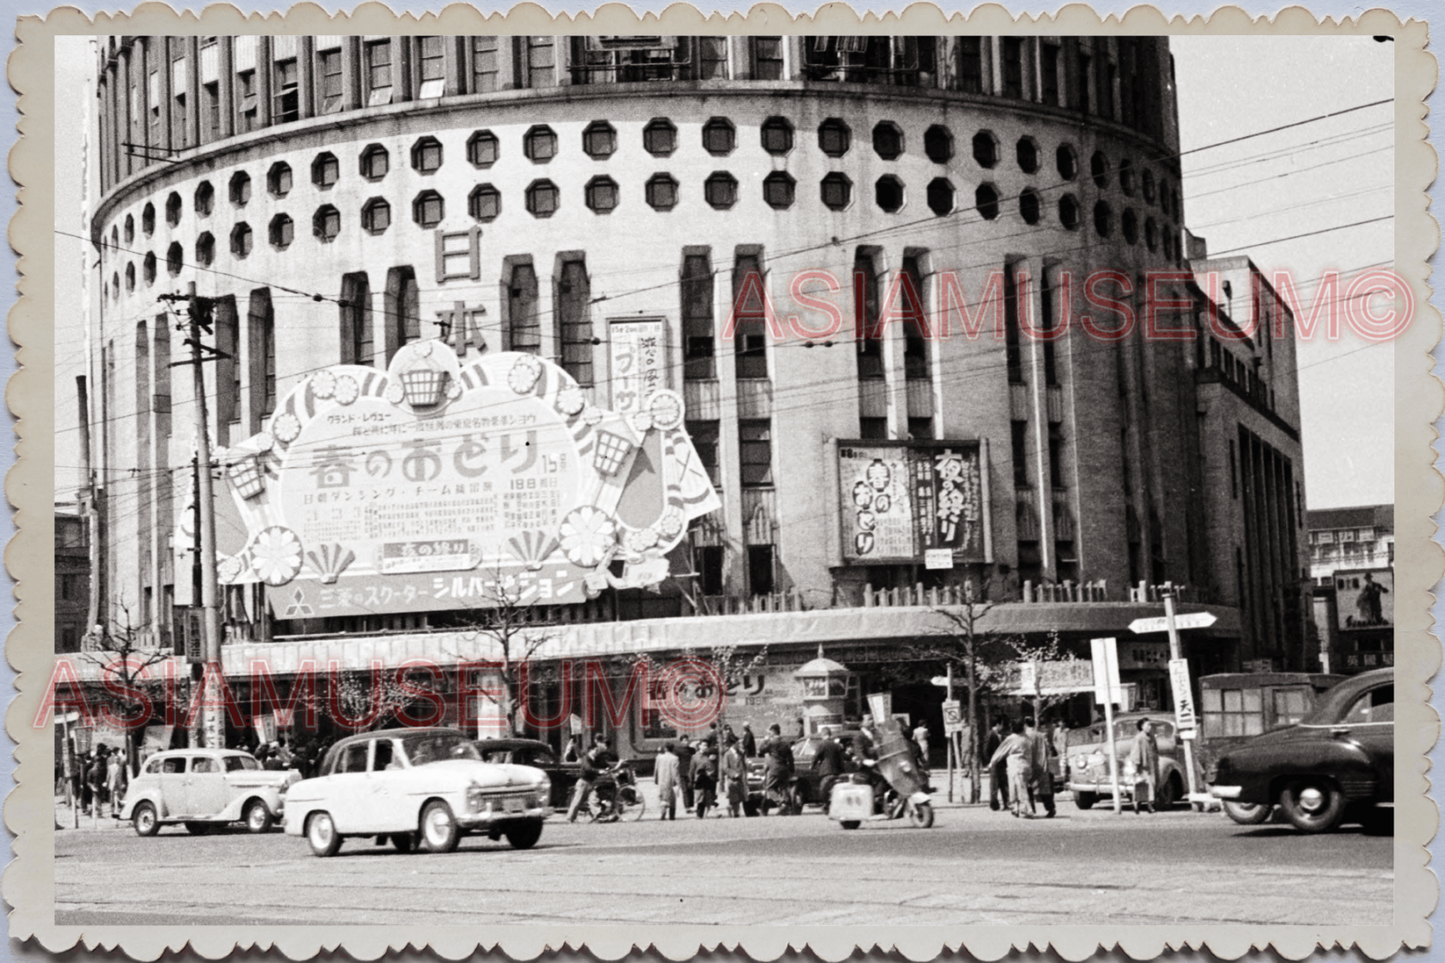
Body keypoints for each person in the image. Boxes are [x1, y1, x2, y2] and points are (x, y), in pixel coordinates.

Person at [987, 720, 1034, 818]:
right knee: (1021, 787)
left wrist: (992, 762)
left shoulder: (1011, 739)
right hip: (1026, 765)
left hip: (1015, 765)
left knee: (1017, 789)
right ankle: (1016, 808)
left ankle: (1026, 809)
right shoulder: (1027, 738)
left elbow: (1001, 751)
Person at [566, 734, 616, 822]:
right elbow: (587, 768)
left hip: (591, 783)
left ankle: (598, 815)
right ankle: (570, 818)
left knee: (593, 799)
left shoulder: (595, 759)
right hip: (583, 783)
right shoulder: (586, 758)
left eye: (597, 750)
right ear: (591, 750)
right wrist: (598, 771)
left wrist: (608, 769)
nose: (597, 751)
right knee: (577, 801)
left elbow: (604, 765)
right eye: (595, 750)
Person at [757, 723, 795, 814]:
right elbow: (790, 758)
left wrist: (765, 740)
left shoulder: (772, 742)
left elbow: (761, 750)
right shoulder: (786, 743)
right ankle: (787, 806)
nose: (769, 733)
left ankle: (781, 803)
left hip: (774, 769)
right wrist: (791, 768)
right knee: (784, 788)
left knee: (770, 788)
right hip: (784, 768)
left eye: (770, 731)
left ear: (773, 731)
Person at [1024, 718, 1056, 818]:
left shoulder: (1025, 736)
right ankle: (1051, 808)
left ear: (1025, 725)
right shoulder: (1041, 735)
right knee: (1045, 789)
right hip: (1043, 765)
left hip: (1031, 765)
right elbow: (1048, 748)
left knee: (1028, 788)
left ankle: (1031, 809)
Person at [1128, 718, 1160, 814]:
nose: (1149, 727)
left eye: (1150, 725)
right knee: (1141, 785)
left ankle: (1149, 805)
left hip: (1151, 765)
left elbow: (1155, 751)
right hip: (1142, 766)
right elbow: (1135, 752)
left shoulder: (1152, 737)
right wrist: (1136, 765)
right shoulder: (1139, 738)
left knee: (1151, 785)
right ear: (1142, 727)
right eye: (1147, 725)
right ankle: (1137, 804)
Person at [812, 726, 847, 811]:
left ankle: (826, 804)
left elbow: (816, 757)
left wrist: (812, 765)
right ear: (830, 734)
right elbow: (841, 757)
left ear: (822, 734)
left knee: (822, 789)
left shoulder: (822, 744)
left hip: (826, 771)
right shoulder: (836, 745)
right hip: (837, 771)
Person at [985, 718, 1009, 811]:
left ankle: (1006, 803)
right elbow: (986, 749)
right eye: (1002, 725)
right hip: (994, 763)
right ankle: (994, 804)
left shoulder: (1002, 736)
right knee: (994, 784)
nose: (1002, 727)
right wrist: (990, 761)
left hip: (1002, 763)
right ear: (998, 724)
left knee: (1004, 784)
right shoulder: (991, 734)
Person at [721, 736, 747, 817]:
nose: (739, 745)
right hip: (732, 779)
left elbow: (743, 764)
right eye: (737, 743)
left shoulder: (740, 753)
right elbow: (725, 767)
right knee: (733, 796)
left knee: (739, 796)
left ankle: (733, 809)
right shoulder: (727, 754)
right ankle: (735, 812)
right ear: (733, 744)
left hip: (740, 778)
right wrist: (733, 774)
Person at [692, 744, 719, 818]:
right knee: (708, 799)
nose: (714, 756)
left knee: (706, 800)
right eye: (712, 755)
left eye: (715, 755)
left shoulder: (715, 763)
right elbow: (699, 771)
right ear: (709, 755)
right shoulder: (705, 762)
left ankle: (702, 814)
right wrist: (706, 774)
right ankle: (714, 813)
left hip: (712, 783)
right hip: (706, 783)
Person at [653, 743, 679, 821]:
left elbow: (656, 769)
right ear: (673, 749)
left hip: (661, 779)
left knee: (662, 797)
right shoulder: (675, 758)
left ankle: (663, 813)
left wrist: (655, 779)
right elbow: (675, 771)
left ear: (665, 749)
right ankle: (672, 815)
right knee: (672, 798)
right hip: (670, 780)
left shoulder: (659, 757)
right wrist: (677, 781)